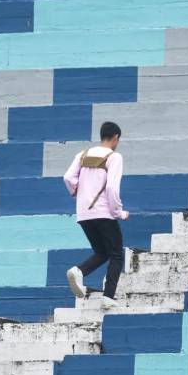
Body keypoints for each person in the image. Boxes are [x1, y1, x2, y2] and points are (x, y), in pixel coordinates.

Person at [63, 121, 129, 301]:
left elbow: (68, 177)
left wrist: (77, 192)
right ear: (116, 138)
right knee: (116, 254)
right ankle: (108, 298)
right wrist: (119, 213)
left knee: (102, 252)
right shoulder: (114, 157)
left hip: (84, 214)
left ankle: (78, 271)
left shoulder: (82, 155)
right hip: (103, 213)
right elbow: (112, 189)